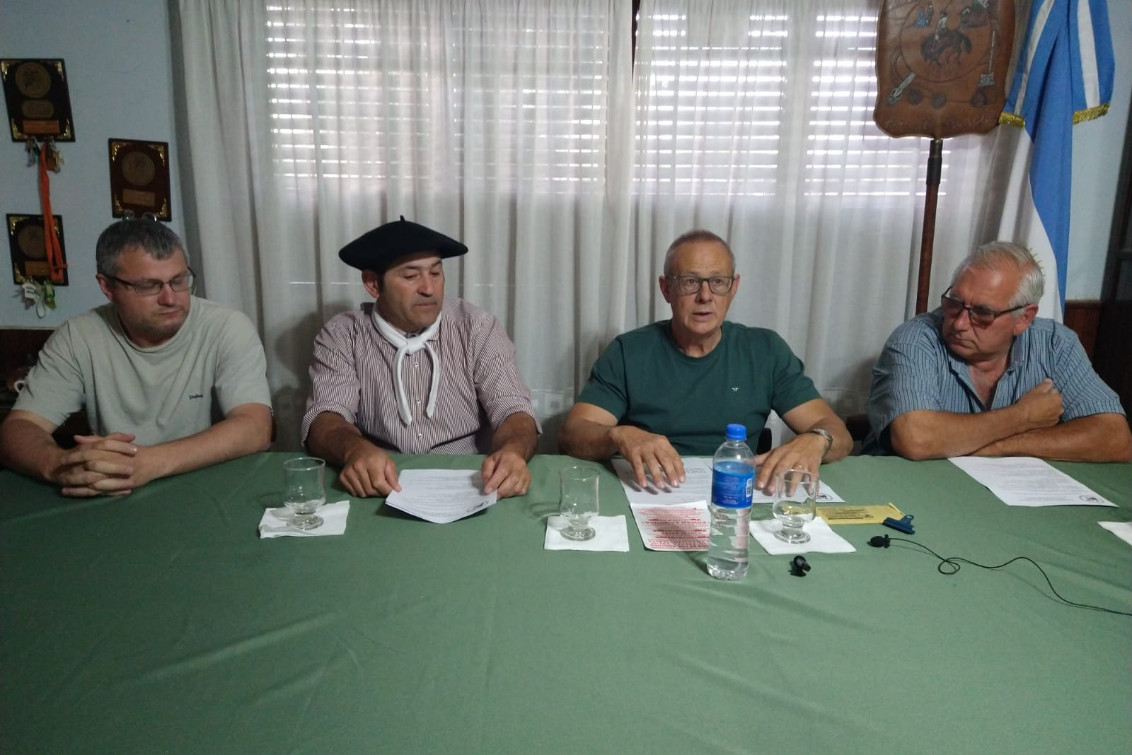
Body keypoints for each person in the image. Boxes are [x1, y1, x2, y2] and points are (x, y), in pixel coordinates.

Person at [558, 229, 851, 491]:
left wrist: (817, 440)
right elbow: (573, 434)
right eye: (690, 282)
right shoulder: (628, 351)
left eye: (718, 282)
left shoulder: (765, 350)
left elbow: (837, 432)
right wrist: (620, 435)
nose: (705, 296)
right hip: (651, 489)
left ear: (733, 288)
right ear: (666, 289)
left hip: (737, 492)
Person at [0, 219, 273, 496]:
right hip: (117, 492)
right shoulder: (78, 336)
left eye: (179, 280)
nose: (170, 298)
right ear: (107, 287)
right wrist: (60, 464)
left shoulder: (226, 326)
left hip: (212, 490)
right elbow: (19, 429)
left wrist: (149, 462)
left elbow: (255, 427)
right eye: (148, 286)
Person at [302, 217, 539, 499]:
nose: (428, 288)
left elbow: (513, 409)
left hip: (470, 478)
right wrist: (355, 449)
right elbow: (326, 416)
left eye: (435, 273)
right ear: (373, 284)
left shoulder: (476, 327)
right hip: (380, 478)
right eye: (411, 276)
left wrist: (512, 451)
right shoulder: (342, 334)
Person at [864, 241, 1131, 461]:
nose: (958, 323)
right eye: (954, 303)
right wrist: (1023, 416)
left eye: (982, 313)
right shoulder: (916, 338)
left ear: (1024, 318)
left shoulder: (1055, 344)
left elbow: (1115, 438)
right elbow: (916, 439)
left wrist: (998, 446)